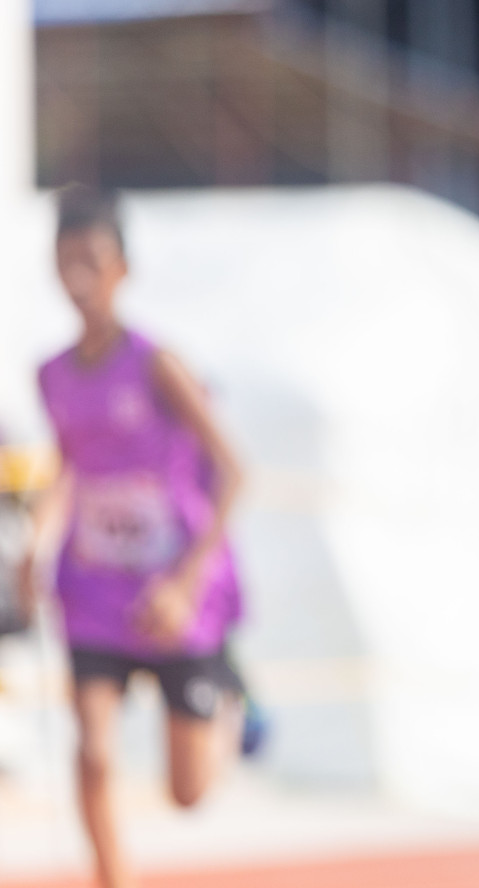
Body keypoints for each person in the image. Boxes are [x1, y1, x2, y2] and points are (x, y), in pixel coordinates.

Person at [18, 186, 255, 888]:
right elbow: (69, 465)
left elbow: (235, 471)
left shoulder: (159, 364)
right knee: (91, 753)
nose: (81, 278)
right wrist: (38, 536)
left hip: (171, 593)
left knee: (188, 794)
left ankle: (228, 692)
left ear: (123, 267)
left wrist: (185, 582)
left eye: (94, 260)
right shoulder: (51, 374)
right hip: (93, 589)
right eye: (67, 262)